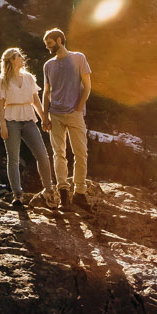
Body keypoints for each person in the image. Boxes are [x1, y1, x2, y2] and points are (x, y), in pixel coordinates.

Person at [0, 46, 57, 209]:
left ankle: (49, 191)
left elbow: (35, 100)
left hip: (28, 118)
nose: (22, 58)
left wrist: (44, 117)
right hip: (10, 120)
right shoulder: (3, 81)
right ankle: (17, 195)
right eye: (19, 56)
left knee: (42, 155)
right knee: (13, 158)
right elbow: (0, 105)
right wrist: (2, 126)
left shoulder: (28, 78)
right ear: (12, 61)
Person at [40, 27, 93, 209]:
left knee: (81, 153)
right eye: (46, 45)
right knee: (59, 154)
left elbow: (87, 86)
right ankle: (63, 194)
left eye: (50, 44)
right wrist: (44, 116)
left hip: (74, 114)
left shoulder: (79, 58)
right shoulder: (48, 65)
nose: (48, 47)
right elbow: (46, 93)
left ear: (60, 40)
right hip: (55, 115)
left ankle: (79, 192)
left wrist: (79, 107)